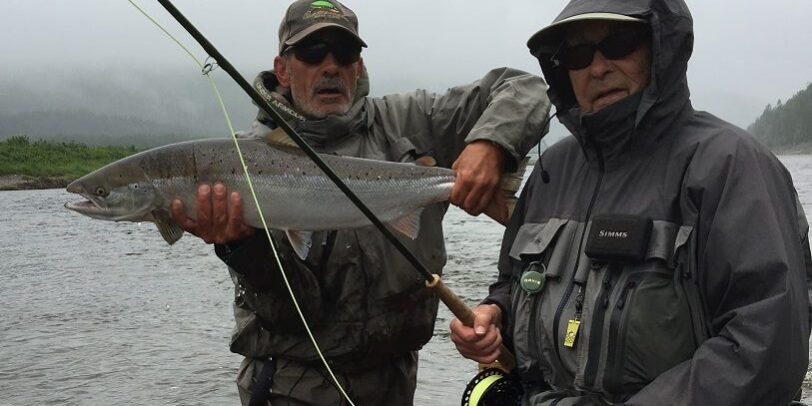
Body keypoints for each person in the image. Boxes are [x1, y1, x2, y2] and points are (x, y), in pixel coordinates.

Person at [169, 0, 551, 404]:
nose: (330, 65)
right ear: (283, 68)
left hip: (396, 382)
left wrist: (490, 144)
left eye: (344, 52)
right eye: (313, 52)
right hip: (292, 387)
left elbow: (526, 88)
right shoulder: (245, 164)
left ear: (360, 67)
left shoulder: (409, 122)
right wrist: (240, 247)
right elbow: (296, 308)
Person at [450, 0, 812, 405]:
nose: (598, 67)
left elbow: (766, 347)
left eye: (619, 43)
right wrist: (495, 314)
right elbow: (513, 280)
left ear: (661, 48)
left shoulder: (731, 165)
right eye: (578, 53)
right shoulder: (553, 166)